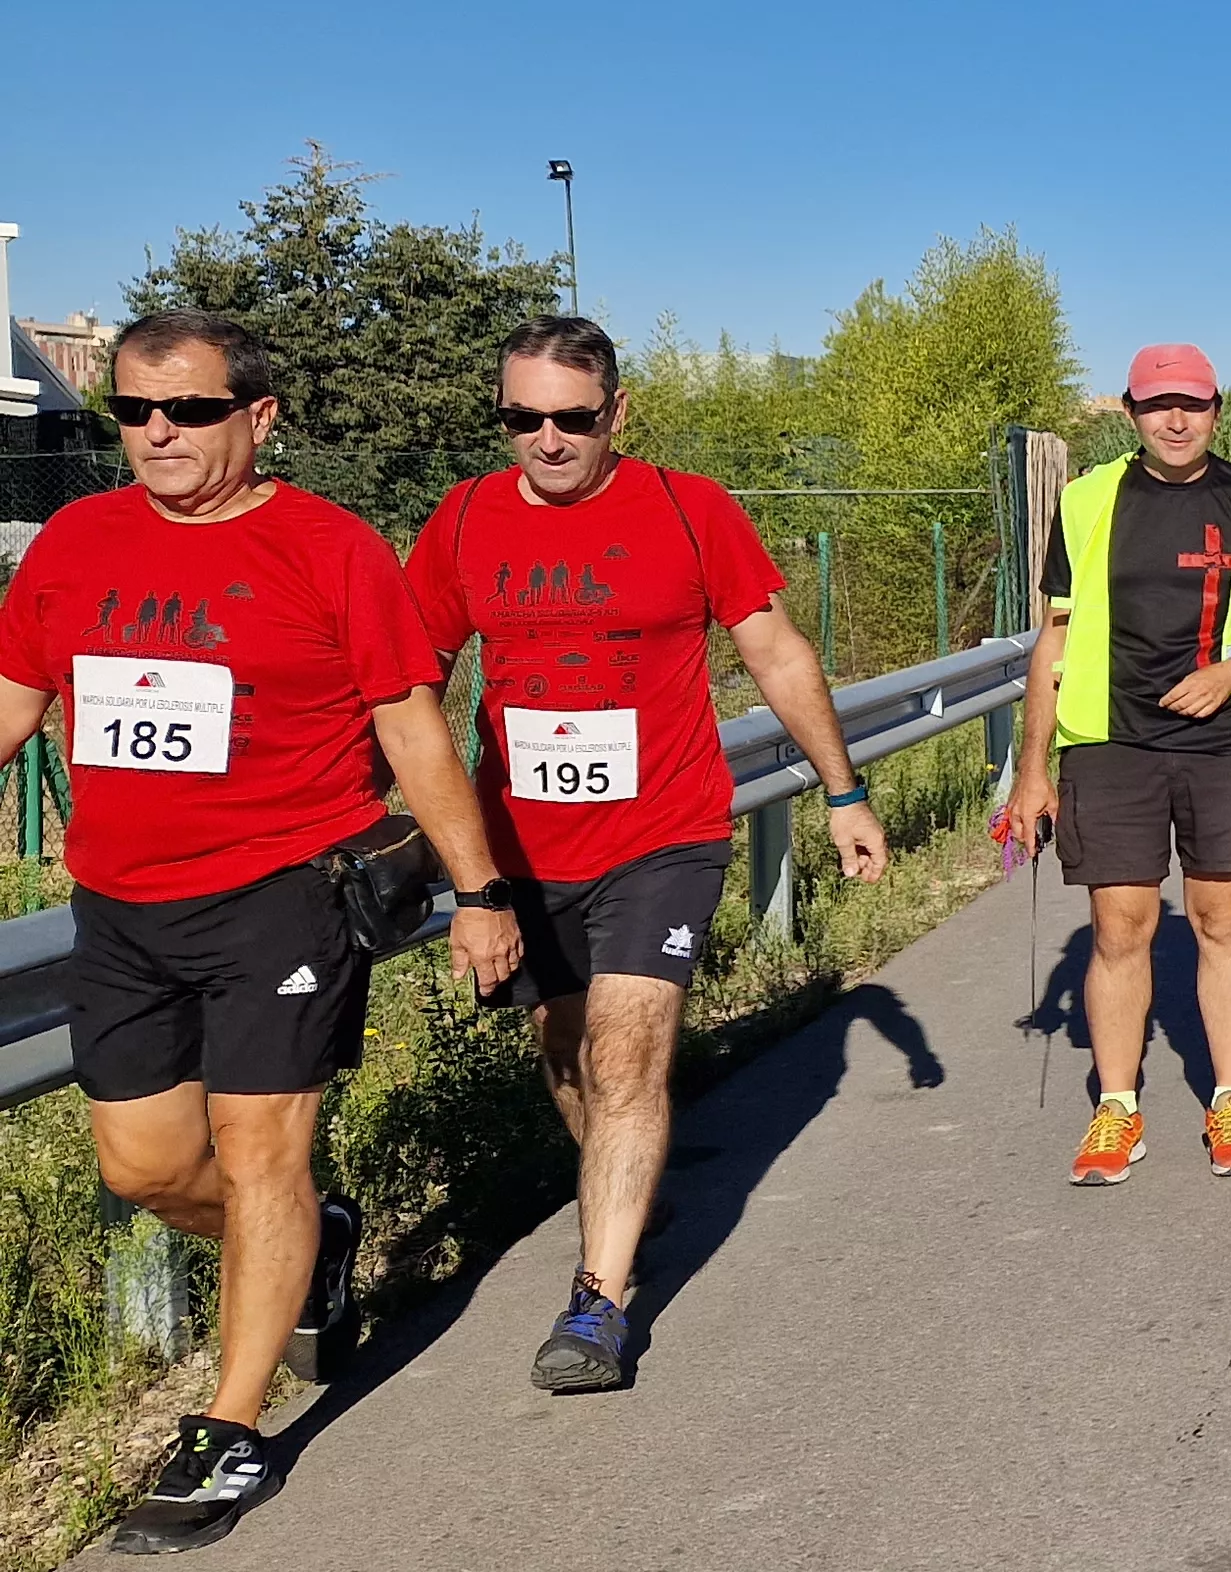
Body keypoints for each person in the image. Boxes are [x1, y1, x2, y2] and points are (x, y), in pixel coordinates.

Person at [0, 311, 524, 1552]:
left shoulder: (328, 549)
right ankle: (322, 1240)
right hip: (120, 904)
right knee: (140, 1167)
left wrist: (482, 893)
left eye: (186, 411)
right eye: (133, 412)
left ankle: (232, 1433)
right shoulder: (77, 541)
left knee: (258, 1156)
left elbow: (410, 730)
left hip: (281, 891)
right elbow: (17, 693)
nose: (158, 435)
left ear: (258, 416)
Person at [404, 316, 889, 1392]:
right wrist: (400, 822)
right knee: (568, 1053)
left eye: (571, 418)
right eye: (521, 418)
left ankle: (599, 1303)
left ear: (616, 413)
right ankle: (621, 1175)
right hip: (521, 845)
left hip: (662, 833)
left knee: (625, 1054)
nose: (547, 439)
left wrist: (843, 791)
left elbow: (775, 650)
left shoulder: (688, 508)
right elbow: (412, 683)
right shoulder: (465, 519)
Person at [1003, 344, 1231, 1185]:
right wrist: (1030, 770)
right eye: (1156, 405)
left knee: (1222, 920)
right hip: (1112, 743)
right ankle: (1117, 1108)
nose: (1175, 420)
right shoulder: (1087, 501)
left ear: (1218, 409)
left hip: (1228, 744)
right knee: (1119, 930)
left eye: (1192, 403)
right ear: (1131, 413)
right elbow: (1057, 639)